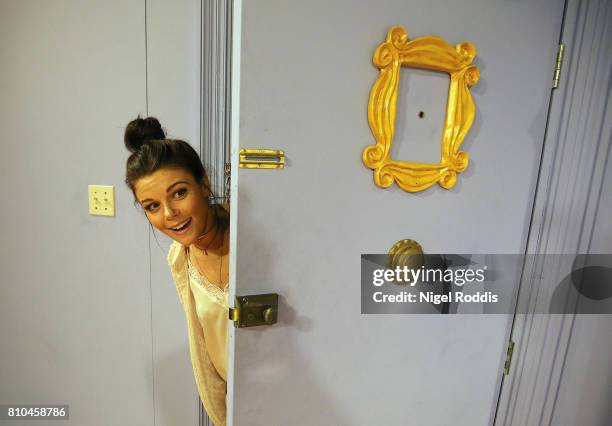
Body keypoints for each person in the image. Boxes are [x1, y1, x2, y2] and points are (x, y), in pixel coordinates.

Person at [123, 116, 228, 426]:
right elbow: (204, 352)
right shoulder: (179, 259)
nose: (170, 215)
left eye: (179, 193)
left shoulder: (250, 241)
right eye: (152, 206)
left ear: (204, 184)